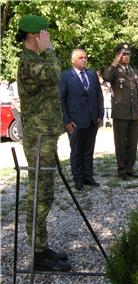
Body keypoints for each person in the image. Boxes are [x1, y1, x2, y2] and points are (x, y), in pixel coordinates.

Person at [15, 15, 71, 271]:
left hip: (44, 135)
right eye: (45, 34)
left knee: (45, 193)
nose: (47, 39)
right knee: (40, 193)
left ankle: (42, 247)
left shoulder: (34, 60)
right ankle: (38, 256)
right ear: (35, 35)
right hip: (38, 137)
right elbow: (54, 76)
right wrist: (49, 51)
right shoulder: (29, 62)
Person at [60, 49, 104, 191]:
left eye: (85, 57)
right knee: (77, 151)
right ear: (73, 60)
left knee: (88, 151)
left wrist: (100, 115)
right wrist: (67, 120)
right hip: (75, 122)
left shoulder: (91, 74)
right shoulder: (66, 75)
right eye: (80, 58)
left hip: (92, 120)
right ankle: (78, 180)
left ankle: (88, 177)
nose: (84, 60)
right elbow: (62, 99)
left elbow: (99, 95)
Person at [103, 43, 138, 180]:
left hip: (133, 112)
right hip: (120, 112)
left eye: (128, 54)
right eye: (123, 54)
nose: (126, 56)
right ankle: (122, 170)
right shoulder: (114, 70)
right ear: (118, 55)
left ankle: (130, 168)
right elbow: (106, 77)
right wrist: (115, 61)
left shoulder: (133, 71)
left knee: (133, 143)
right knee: (120, 143)